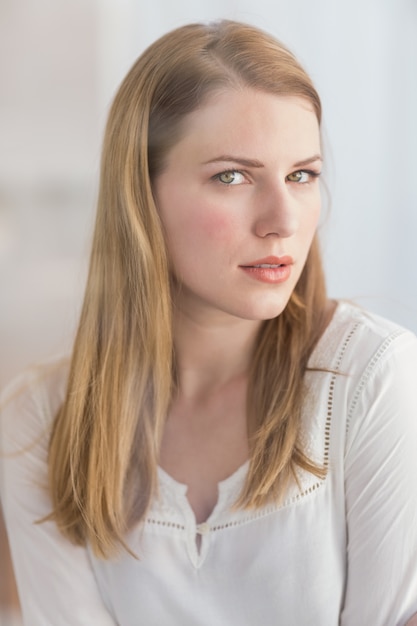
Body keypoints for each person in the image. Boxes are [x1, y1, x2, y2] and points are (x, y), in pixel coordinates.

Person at [1, 19, 417, 625]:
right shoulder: (40, 423)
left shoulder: (373, 380)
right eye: (233, 176)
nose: (283, 219)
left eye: (302, 174)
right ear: (140, 196)